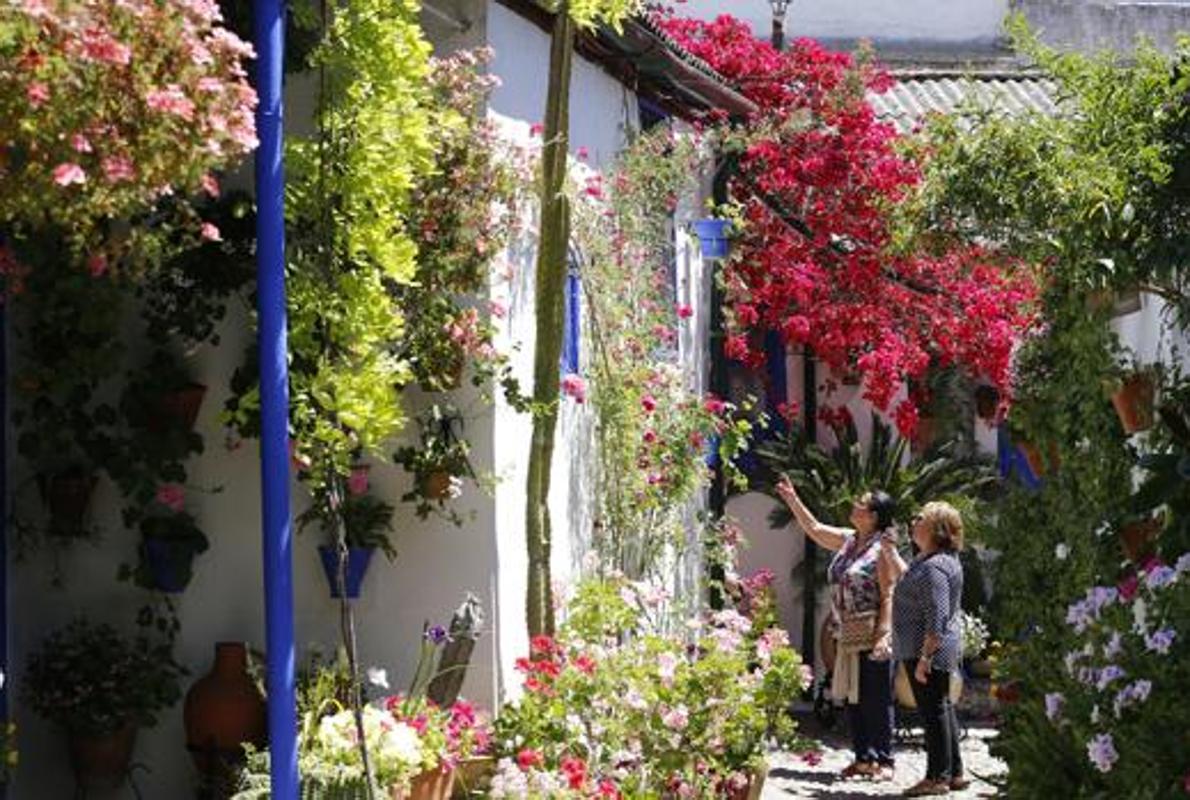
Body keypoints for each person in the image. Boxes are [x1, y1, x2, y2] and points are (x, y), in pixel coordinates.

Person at [776, 477, 900, 782]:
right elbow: (816, 529)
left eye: (861, 502)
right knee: (852, 694)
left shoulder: (881, 548)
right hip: (846, 633)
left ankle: (884, 759)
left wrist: (883, 635)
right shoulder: (848, 539)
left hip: (872, 631)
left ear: (873, 515)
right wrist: (793, 499)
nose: (854, 504)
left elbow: (888, 593)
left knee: (876, 696)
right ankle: (863, 758)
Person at [884, 501, 969, 797]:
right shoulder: (932, 560)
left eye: (919, 518)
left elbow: (938, 613)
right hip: (927, 647)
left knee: (933, 711)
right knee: (941, 708)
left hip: (928, 648)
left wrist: (925, 657)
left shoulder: (935, 566)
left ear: (936, 528)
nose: (913, 521)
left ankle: (937, 777)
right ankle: (954, 773)